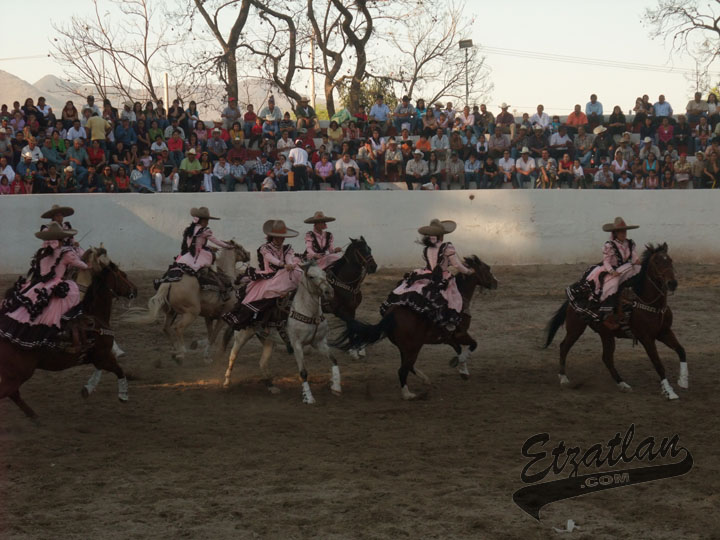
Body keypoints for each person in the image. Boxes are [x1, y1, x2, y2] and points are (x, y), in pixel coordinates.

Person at [0, 222, 89, 351]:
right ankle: (66, 332)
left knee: (26, 310)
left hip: (39, 285)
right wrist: (85, 262)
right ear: (61, 239)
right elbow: (83, 266)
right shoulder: (66, 254)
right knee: (70, 296)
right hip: (55, 284)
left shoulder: (42, 253)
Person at [380, 219, 473, 333]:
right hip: (441, 276)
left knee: (415, 288)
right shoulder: (447, 247)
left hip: (426, 273)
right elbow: (456, 265)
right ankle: (449, 322)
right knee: (453, 296)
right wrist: (468, 272)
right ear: (441, 235)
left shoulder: (427, 248)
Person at [223, 220, 302, 330]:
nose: (283, 239)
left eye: (284, 237)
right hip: (269, 275)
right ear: (274, 237)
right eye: (280, 237)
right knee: (268, 292)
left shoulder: (286, 248)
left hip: (282, 273)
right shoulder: (265, 248)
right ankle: (259, 320)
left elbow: (289, 258)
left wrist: (290, 264)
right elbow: (271, 259)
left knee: (299, 274)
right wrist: (283, 265)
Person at [566, 217, 641, 330]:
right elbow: (606, 262)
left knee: (639, 271)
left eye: (625, 231)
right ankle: (606, 311)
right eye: (621, 231)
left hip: (626, 268)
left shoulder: (630, 243)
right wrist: (612, 271)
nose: (623, 233)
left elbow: (634, 257)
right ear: (615, 233)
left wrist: (638, 262)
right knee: (612, 284)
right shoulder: (610, 245)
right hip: (611, 269)